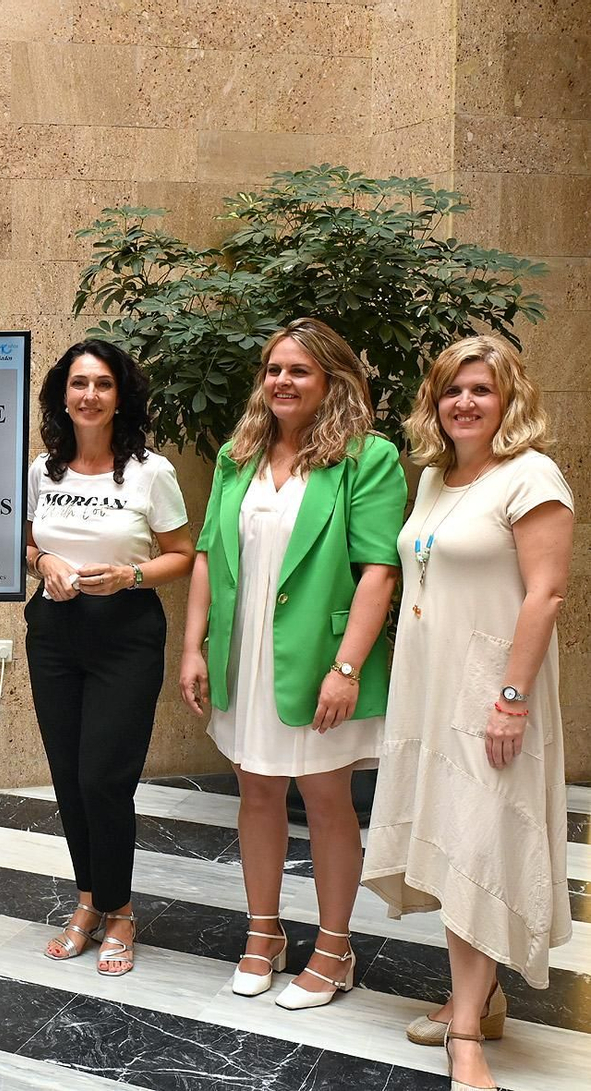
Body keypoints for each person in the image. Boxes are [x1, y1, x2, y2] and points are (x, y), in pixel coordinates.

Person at [362, 336, 572, 1091]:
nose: (465, 402)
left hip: (493, 694)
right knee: (458, 844)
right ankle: (481, 1002)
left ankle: (465, 1038)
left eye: (480, 389)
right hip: (432, 688)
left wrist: (511, 699)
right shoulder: (433, 478)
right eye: (452, 389)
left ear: (508, 397)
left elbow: (546, 593)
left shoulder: (531, 475)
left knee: (480, 849)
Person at [179, 317, 405, 1010]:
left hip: (320, 658)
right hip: (243, 655)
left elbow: (379, 570)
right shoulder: (237, 453)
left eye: (299, 370)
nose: (282, 381)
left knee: (327, 798)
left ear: (332, 380)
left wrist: (346, 668)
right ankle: (263, 934)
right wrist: (192, 646)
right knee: (256, 793)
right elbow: (208, 554)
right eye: (274, 369)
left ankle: (335, 949)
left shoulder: (368, 458)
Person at [25, 340, 194, 975]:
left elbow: (183, 555)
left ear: (120, 396)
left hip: (126, 635)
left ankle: (120, 911)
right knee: (69, 776)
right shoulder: (43, 471)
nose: (89, 395)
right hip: (54, 632)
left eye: (102, 384)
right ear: (62, 396)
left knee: (104, 778)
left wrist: (130, 575)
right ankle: (87, 903)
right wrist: (43, 561)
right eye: (78, 384)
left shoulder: (152, 472)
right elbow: (24, 544)